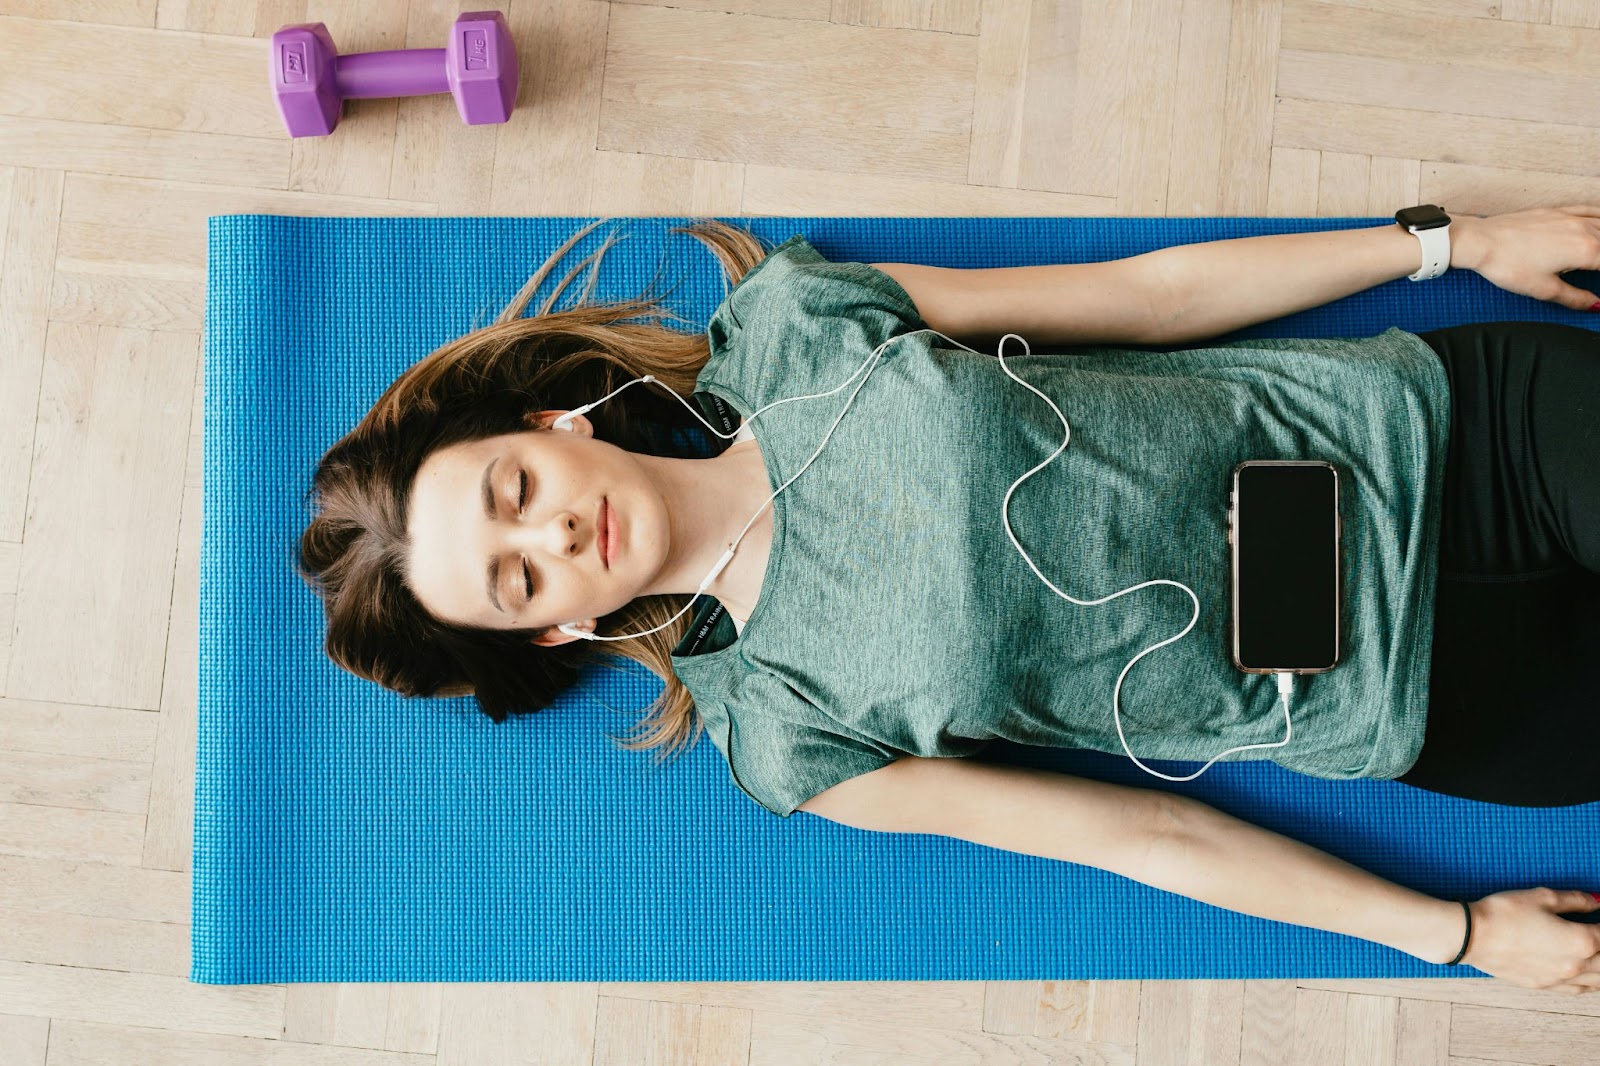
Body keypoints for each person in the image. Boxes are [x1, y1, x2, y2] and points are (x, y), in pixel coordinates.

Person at [298, 210, 1600, 994]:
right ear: (550, 628)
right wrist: (1456, 933)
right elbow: (1138, 837)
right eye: (518, 573)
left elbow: (1150, 298)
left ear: (548, 420)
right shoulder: (791, 738)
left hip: (1451, 434)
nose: (553, 529)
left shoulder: (797, 324)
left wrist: (1454, 240)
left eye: (515, 486)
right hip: (1439, 692)